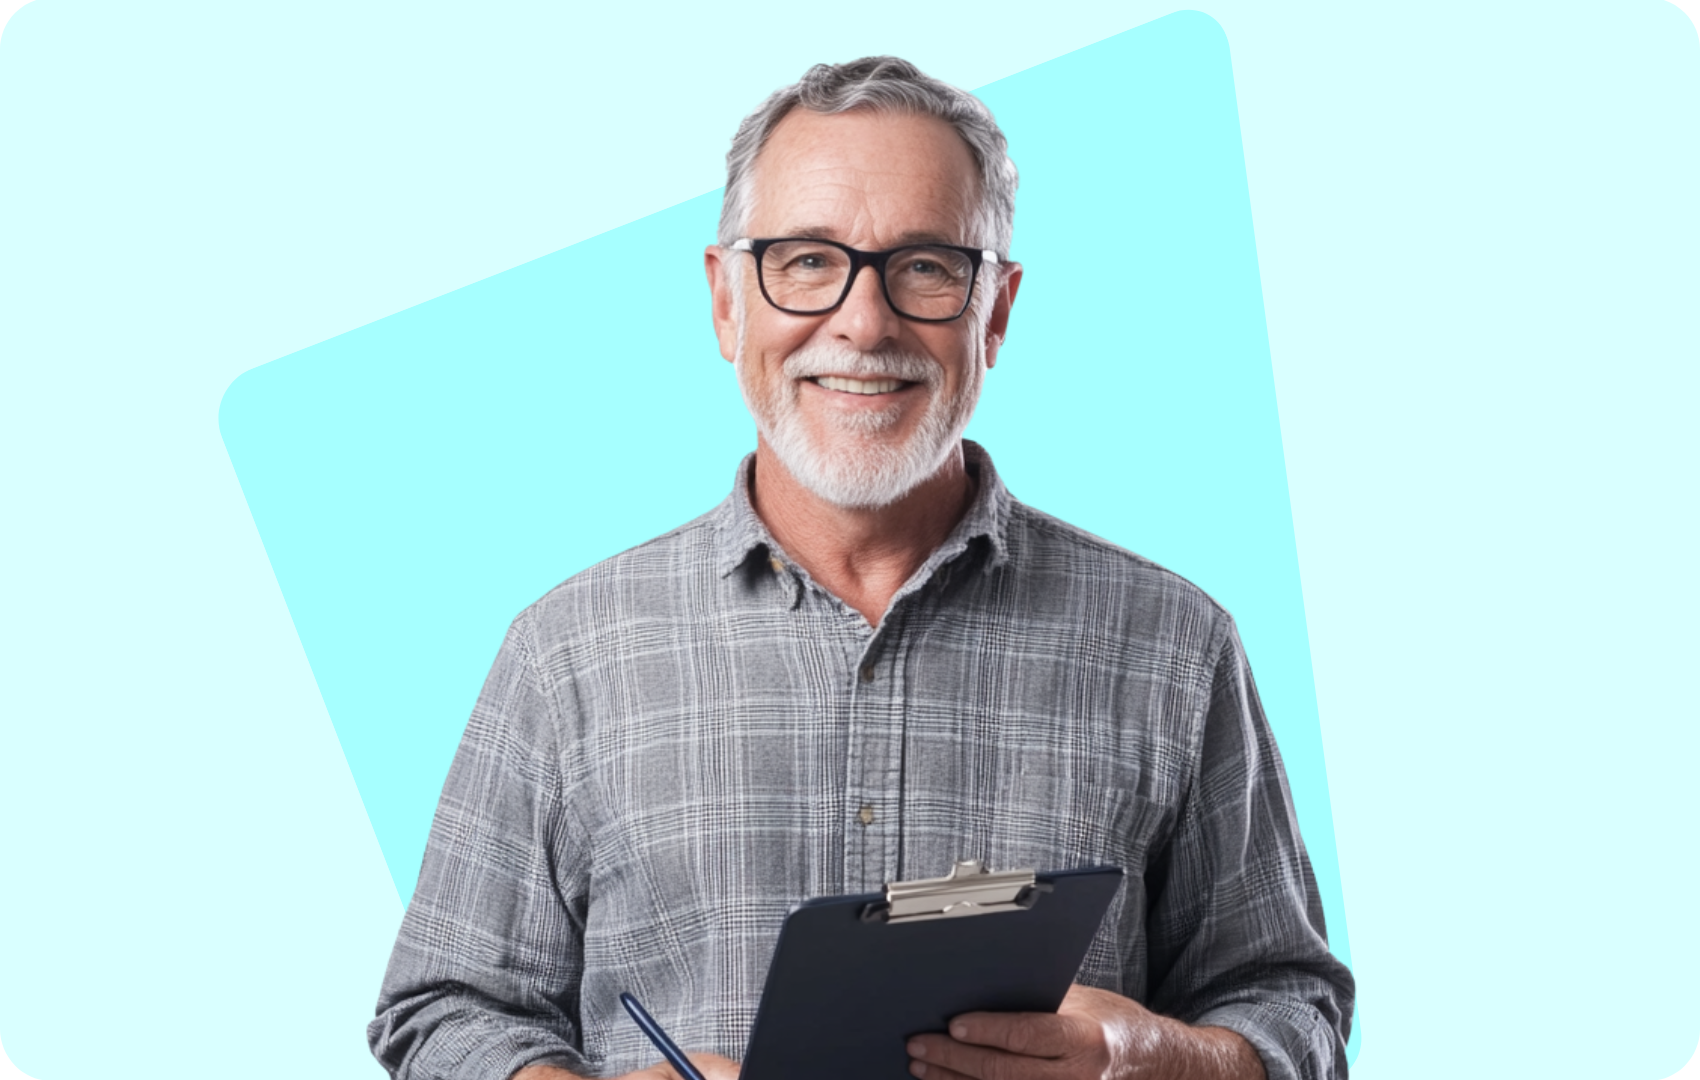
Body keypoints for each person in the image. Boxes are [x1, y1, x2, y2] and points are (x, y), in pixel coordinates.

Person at [370, 56, 1354, 1080]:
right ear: (725, 300)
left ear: (996, 312)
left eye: (924, 266)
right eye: (805, 261)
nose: (864, 322)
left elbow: (1293, 1008)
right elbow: (444, 1011)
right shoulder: (567, 653)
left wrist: (1143, 1056)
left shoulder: (1173, 645)